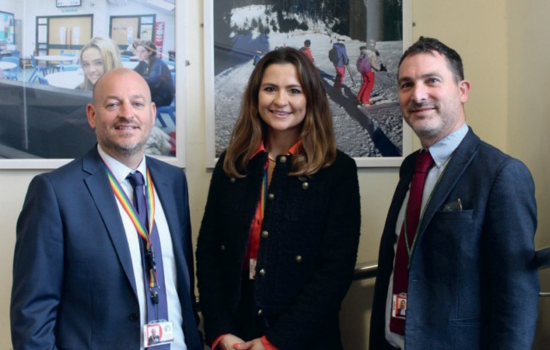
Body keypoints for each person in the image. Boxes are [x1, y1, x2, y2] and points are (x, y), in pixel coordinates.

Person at [10, 68, 203, 350]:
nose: (127, 114)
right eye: (113, 104)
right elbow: (32, 314)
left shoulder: (173, 182)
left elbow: (181, 286)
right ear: (92, 115)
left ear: (151, 113)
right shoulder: (54, 192)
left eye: (137, 103)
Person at [369, 36, 539, 349]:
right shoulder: (411, 168)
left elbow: (516, 298)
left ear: (462, 91)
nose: (417, 95)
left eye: (431, 80)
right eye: (406, 84)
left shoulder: (502, 174)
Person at [196, 47, 361, 350]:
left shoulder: (337, 170)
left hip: (304, 339)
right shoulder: (232, 164)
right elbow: (208, 252)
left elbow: (335, 271)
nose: (280, 101)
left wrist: (275, 343)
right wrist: (219, 331)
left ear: (310, 98)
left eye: (294, 90)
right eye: (270, 88)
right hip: (236, 336)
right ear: (255, 96)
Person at [134, 40, 175, 107]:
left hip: (162, 97)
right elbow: (134, 73)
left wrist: (136, 80)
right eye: (137, 51)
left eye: (142, 51)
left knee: (134, 102)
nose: (139, 54)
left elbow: (152, 82)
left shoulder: (157, 63)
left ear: (150, 52)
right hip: (153, 93)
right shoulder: (143, 62)